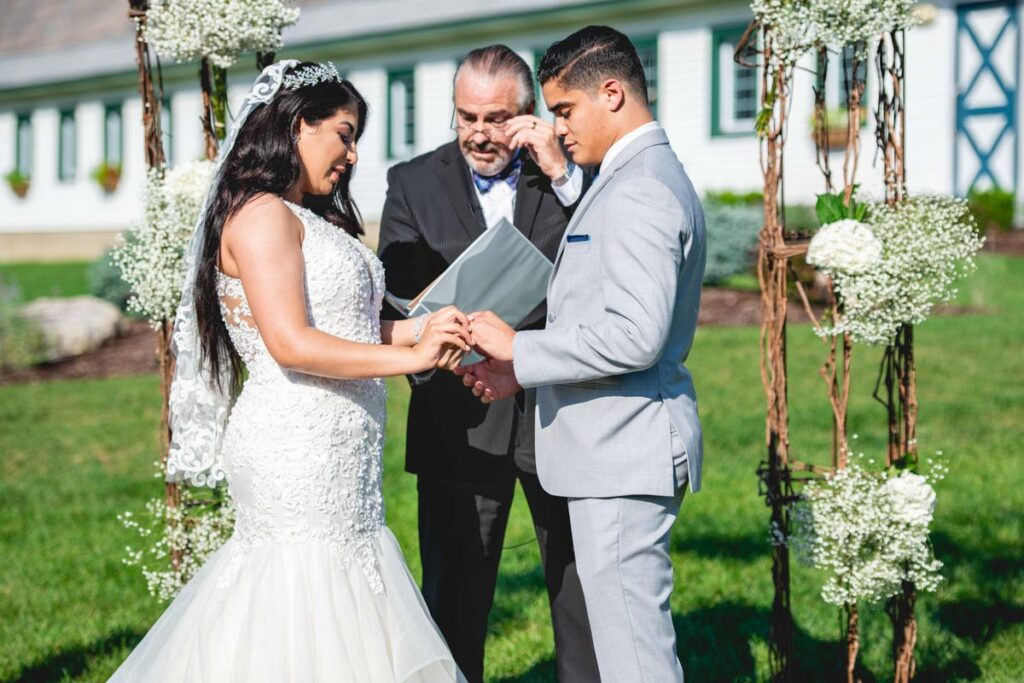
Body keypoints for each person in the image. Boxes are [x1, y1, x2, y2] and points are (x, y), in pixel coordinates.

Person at [109, 60, 469, 683]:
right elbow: (291, 344)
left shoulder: (310, 217)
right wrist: (410, 360)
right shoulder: (260, 216)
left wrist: (425, 330)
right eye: (345, 135)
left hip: (340, 452)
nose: (353, 155)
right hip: (294, 447)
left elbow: (347, 328)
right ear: (299, 125)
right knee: (299, 604)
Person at [460, 26, 707, 683]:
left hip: (622, 453)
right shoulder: (628, 176)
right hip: (614, 447)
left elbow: (634, 334)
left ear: (613, 92)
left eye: (565, 110)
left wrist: (519, 345)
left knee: (635, 659)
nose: (558, 129)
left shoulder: (640, 187)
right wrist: (521, 372)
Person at [378, 44, 599, 683]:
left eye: (496, 118)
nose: (479, 133)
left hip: (558, 407)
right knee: (454, 598)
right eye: (466, 116)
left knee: (580, 591)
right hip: (459, 416)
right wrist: (441, 349)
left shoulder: (567, 173)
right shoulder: (412, 182)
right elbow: (399, 297)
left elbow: (605, 254)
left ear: (529, 115)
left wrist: (563, 176)